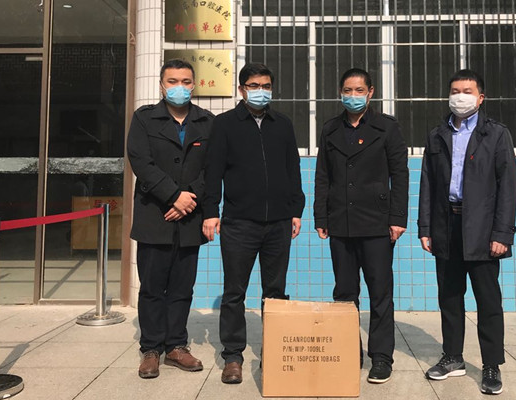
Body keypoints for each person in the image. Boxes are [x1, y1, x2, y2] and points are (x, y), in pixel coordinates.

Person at [202, 63, 305, 385]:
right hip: (239, 223)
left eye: (266, 86)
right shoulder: (224, 124)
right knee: (235, 292)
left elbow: (292, 168)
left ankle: (274, 352)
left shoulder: (282, 124)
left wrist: (296, 209)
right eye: (254, 85)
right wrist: (211, 211)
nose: (260, 91)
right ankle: (233, 356)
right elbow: (213, 171)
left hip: (278, 223)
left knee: (275, 292)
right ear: (241, 89)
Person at [418, 69, 516, 395]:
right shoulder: (437, 135)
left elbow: (507, 188)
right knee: (449, 296)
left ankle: (491, 364)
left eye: (467, 91)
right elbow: (428, 184)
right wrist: (425, 227)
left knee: (488, 300)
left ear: (480, 97)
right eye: (455, 91)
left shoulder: (497, 134)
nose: (460, 97)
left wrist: (502, 234)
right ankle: (452, 357)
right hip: (446, 225)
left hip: (483, 229)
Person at [314, 68, 409, 384]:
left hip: (377, 223)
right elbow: (323, 176)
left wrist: (397, 219)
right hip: (340, 222)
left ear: (370, 92)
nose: (352, 96)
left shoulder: (387, 127)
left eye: (358, 90)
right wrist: (321, 217)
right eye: (347, 90)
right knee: (344, 292)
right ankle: (347, 351)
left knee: (380, 292)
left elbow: (400, 174)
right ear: (340, 93)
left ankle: (381, 357)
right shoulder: (330, 129)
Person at [127, 59, 214, 379]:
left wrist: (188, 198)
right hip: (155, 214)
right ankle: (151, 348)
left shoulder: (207, 121)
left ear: (194, 85)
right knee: (152, 287)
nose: (180, 87)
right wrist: (173, 195)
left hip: (189, 217)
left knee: (182, 286)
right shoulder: (144, 118)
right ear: (162, 85)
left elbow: (213, 168)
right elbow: (141, 162)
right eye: (173, 81)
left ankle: (177, 345)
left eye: (186, 81)